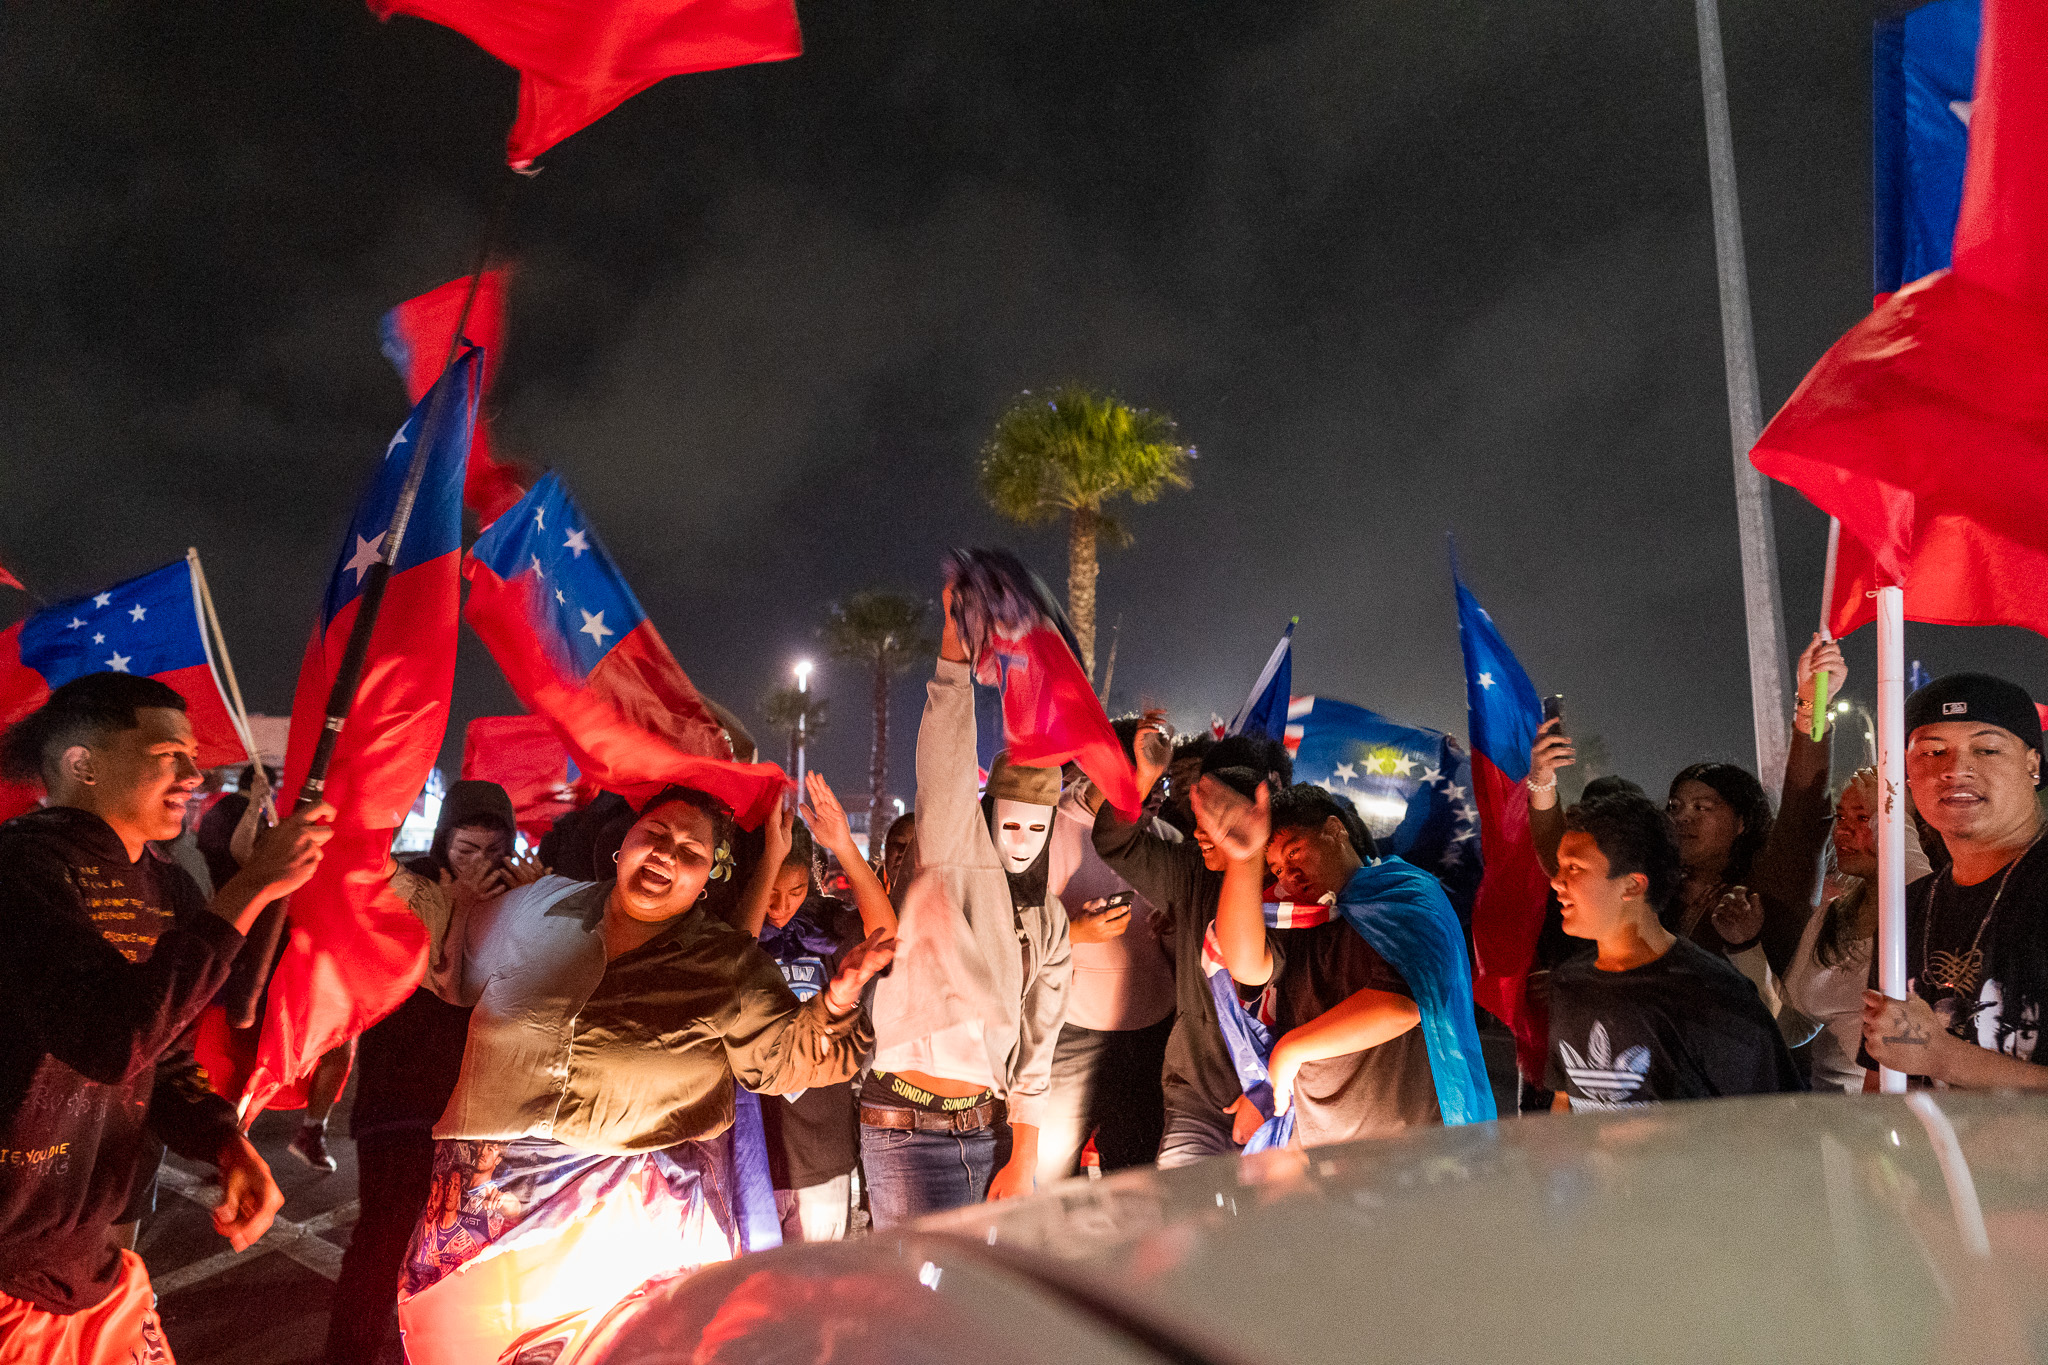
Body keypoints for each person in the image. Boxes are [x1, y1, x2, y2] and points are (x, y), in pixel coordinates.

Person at [392, 783, 894, 1363]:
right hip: (484, 1234)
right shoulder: (538, 907)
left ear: (708, 876)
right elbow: (448, 938)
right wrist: (373, 866)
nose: (667, 855)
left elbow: (784, 1059)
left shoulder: (725, 961)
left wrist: (836, 1000)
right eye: (655, 835)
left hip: (645, 1237)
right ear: (624, 843)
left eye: (691, 852)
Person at [0, 673, 331, 1360]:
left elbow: (160, 1046)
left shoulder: (167, 883)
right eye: (167, 753)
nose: (194, 770)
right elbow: (110, 1037)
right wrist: (249, 885)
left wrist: (219, 1138)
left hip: (92, 1265)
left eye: (192, 753)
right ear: (81, 764)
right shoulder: (20, 867)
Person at [861, 586, 1071, 1223]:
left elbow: (1041, 1040)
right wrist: (951, 659)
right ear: (988, 815)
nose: (1021, 842)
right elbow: (945, 766)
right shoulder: (955, 857)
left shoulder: (1049, 920)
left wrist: (1024, 1157)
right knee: (918, 1305)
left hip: (987, 1132)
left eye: (1038, 830)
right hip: (905, 1129)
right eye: (1009, 824)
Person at [322, 779, 537, 1365]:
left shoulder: (518, 894)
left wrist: (536, 907)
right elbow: (446, 983)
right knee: (383, 1234)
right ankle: (349, 1350)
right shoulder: (408, 886)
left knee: (452, 1239)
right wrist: (465, 906)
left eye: (494, 852)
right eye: (466, 849)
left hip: (472, 1100)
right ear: (444, 841)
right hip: (398, 1093)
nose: (481, 864)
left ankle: (416, 1346)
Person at [1201, 780, 1444, 1144]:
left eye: (1295, 852)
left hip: (1404, 1145)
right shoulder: (1293, 915)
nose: (1290, 875)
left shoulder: (1405, 896)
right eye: (1278, 868)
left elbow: (1400, 1005)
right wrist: (1243, 858)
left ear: (1335, 829)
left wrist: (1290, 1049)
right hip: (1319, 1141)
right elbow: (1246, 966)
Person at [1086, 726, 1286, 1168]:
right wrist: (1143, 780)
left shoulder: (1301, 888)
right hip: (1196, 1095)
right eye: (1199, 816)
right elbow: (1115, 842)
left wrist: (1273, 1090)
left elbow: (1252, 968)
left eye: (1222, 819)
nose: (1200, 832)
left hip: (1288, 1103)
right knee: (1183, 1219)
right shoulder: (1192, 872)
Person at [1545, 791, 1803, 1109]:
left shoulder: (1713, 996)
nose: (1557, 882)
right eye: (1560, 867)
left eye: (1574, 868)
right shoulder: (1570, 983)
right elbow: (1565, 1098)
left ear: (1632, 885)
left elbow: (1770, 1119)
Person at [1861, 673, 2048, 1091]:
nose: (1956, 769)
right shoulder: (1906, 907)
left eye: (1987, 749)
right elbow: (1882, 1079)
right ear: (1907, 771)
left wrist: (1945, 1057)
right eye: (1933, 751)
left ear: (2032, 763)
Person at [744, 772, 898, 1243]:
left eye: (793, 892)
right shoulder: (736, 930)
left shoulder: (826, 927)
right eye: (769, 889)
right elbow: (732, 959)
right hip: (752, 1149)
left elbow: (885, 937)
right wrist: (769, 858)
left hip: (823, 1147)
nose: (780, 907)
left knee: (815, 1296)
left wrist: (844, 847)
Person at [1037, 717, 1177, 1183]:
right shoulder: (1047, 831)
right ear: (1102, 767)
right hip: (1070, 1032)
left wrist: (1178, 931)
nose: (1154, 790)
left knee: (1134, 1178)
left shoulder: (1166, 838)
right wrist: (1073, 931)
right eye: (1144, 772)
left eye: (1161, 778)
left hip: (1149, 1032)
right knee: (1054, 1173)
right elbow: (1014, 929)